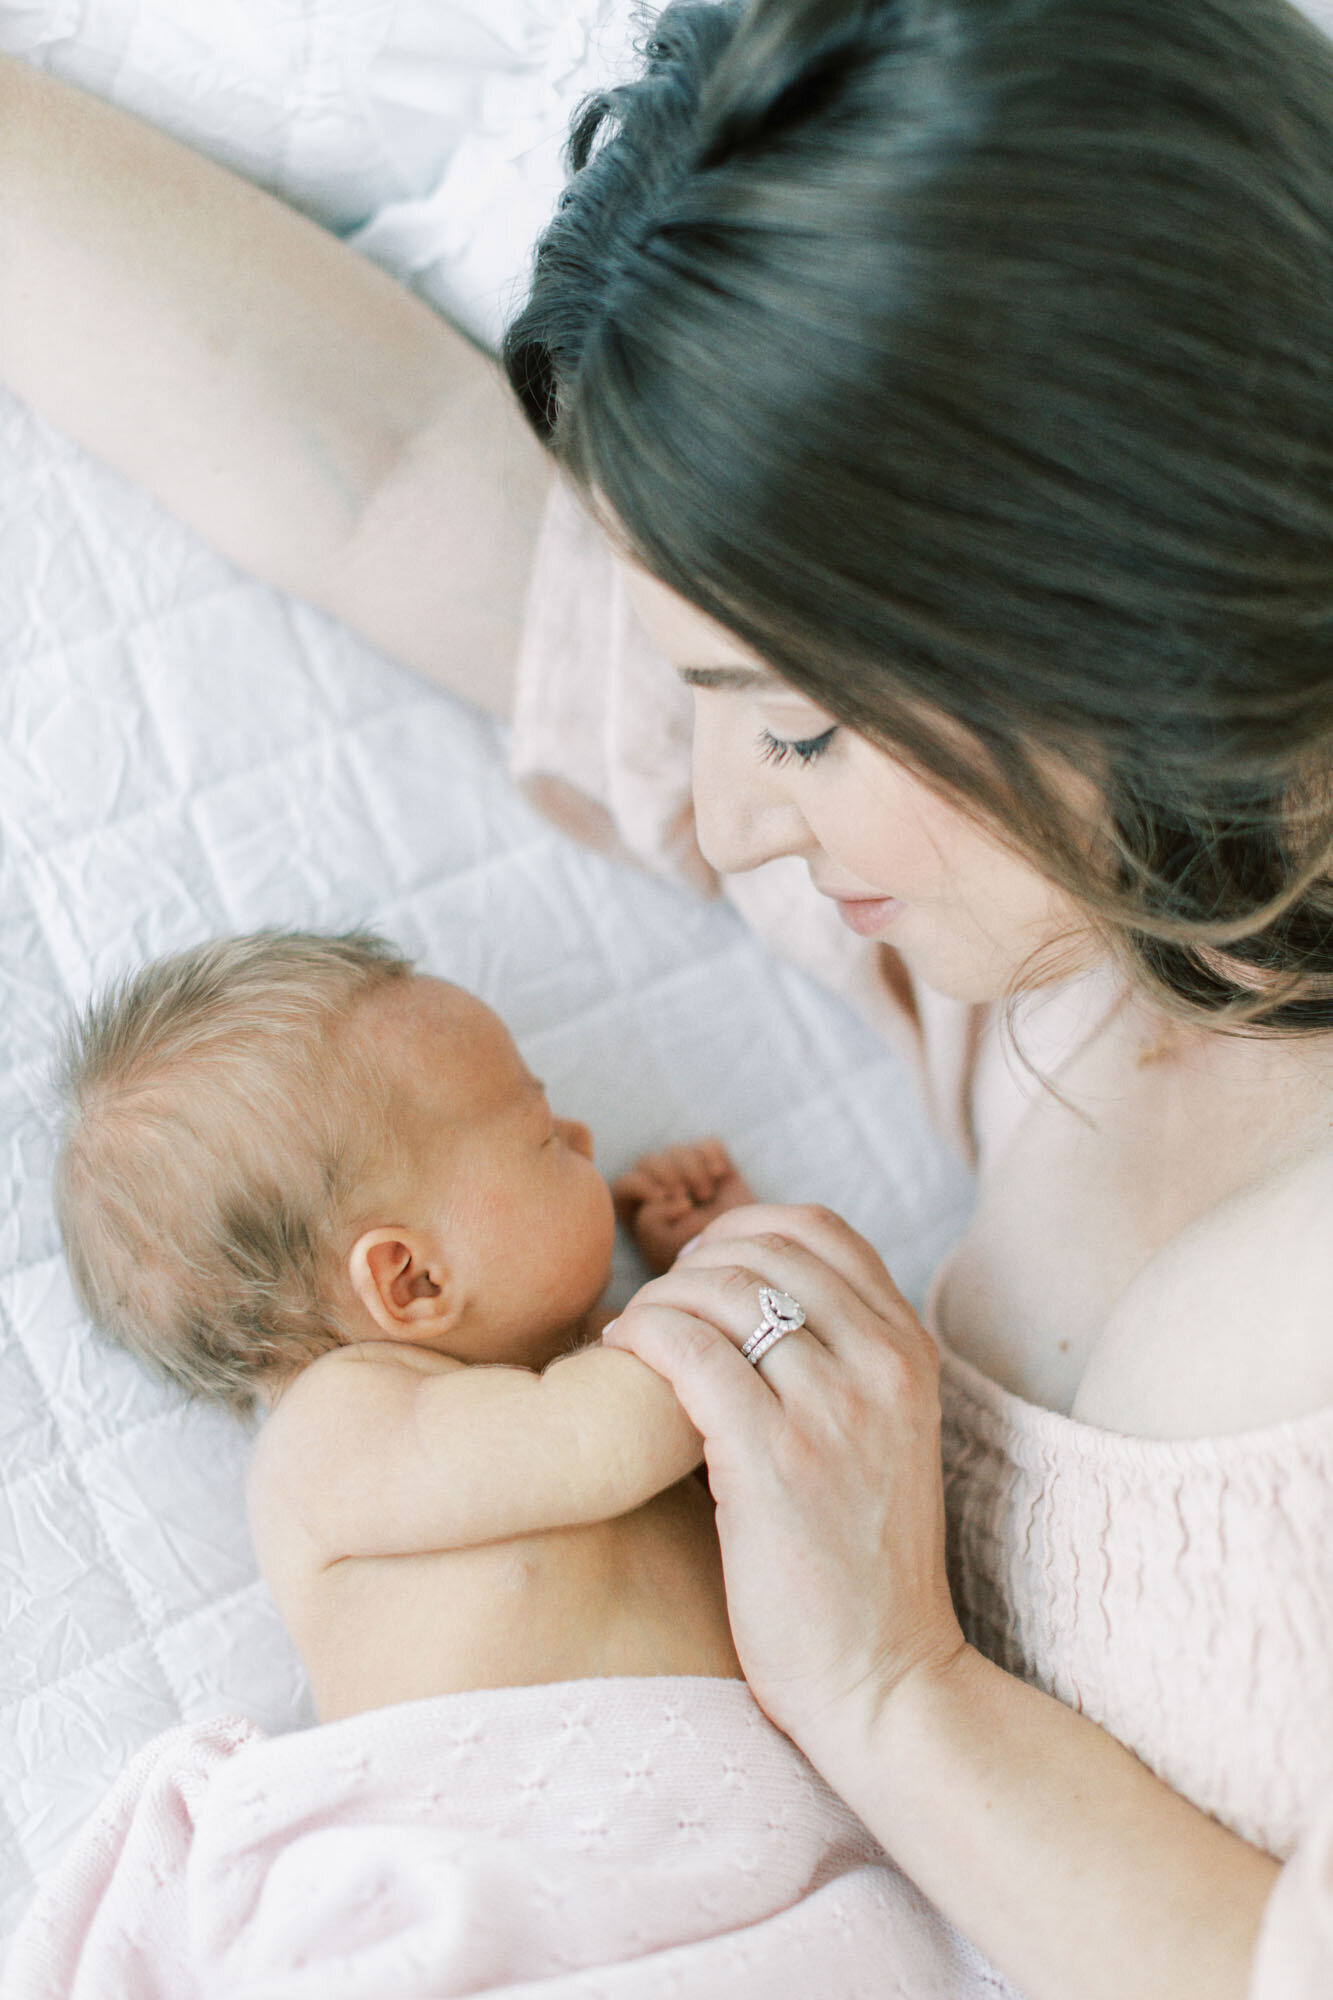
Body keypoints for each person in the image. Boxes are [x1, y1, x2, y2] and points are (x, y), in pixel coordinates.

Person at [0, 1, 1330, 1993]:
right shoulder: (1065, 911)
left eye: (788, 733)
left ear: (1101, 622)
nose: (720, 816)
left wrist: (891, 1687)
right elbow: (381, 479)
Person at [53, 928, 753, 1720]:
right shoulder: (335, 1430)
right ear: (413, 1280)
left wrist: (702, 1251)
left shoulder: (590, 1354)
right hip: (503, 1822)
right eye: (541, 1134)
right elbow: (618, 1434)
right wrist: (730, 1276)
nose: (583, 1137)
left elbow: (775, 1446)